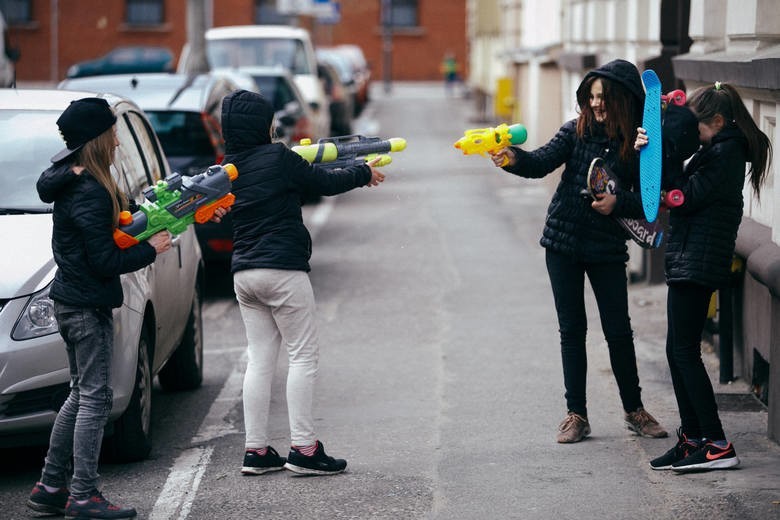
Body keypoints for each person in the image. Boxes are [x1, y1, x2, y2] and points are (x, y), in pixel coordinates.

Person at [490, 59, 668, 443]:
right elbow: (539, 162)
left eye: (604, 97)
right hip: (563, 243)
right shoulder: (575, 131)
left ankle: (634, 410)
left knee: (618, 331)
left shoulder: (636, 144)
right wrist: (512, 158)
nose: (597, 104)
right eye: (592, 96)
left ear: (622, 99)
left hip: (605, 248)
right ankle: (577, 415)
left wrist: (616, 205)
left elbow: (648, 200)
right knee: (572, 330)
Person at [219, 89, 385, 476]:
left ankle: (256, 451)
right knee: (302, 355)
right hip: (282, 269)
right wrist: (364, 172)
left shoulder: (227, 167)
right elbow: (323, 182)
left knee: (259, 359)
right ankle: (305, 449)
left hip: (244, 274)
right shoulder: (277, 157)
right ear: (264, 124)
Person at [26, 97, 172, 519]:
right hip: (86, 307)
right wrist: (151, 249)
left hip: (73, 302)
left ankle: (51, 486)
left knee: (81, 394)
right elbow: (105, 261)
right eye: (112, 132)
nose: (117, 140)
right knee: (95, 399)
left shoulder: (80, 182)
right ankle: (83, 494)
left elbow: (104, 242)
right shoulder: (88, 190)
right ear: (96, 139)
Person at [636, 82, 772, 472]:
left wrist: (663, 153)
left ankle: (717, 443)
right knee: (675, 351)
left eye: (696, 128)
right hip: (689, 257)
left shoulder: (726, 153)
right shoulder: (716, 149)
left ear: (716, 121)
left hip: (699, 261)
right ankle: (694, 437)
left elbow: (686, 196)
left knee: (684, 352)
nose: (692, 136)